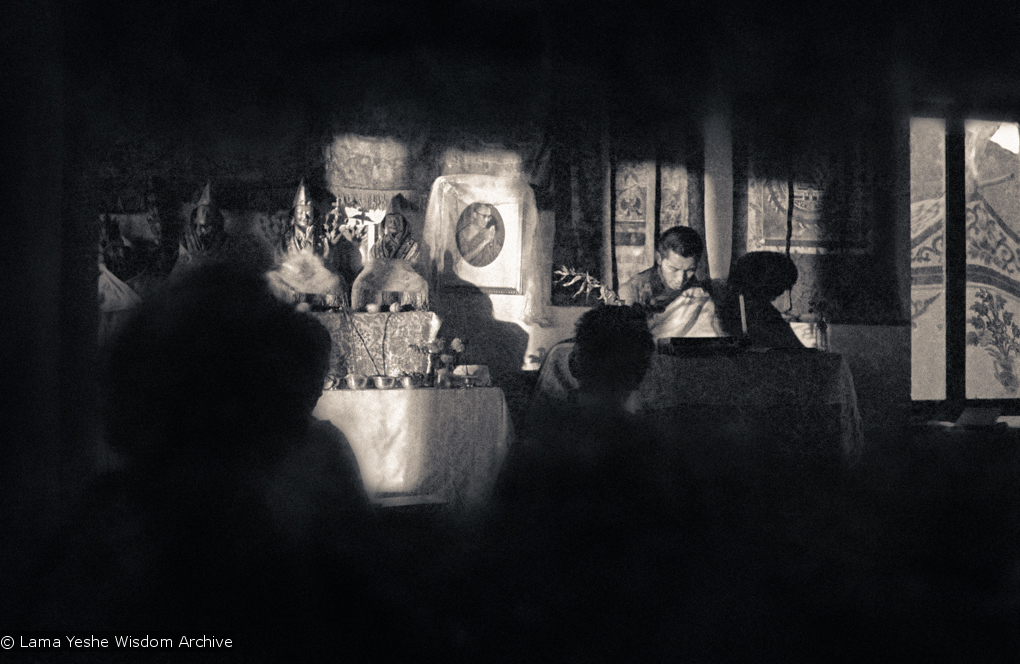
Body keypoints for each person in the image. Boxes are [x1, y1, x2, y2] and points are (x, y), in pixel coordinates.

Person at [462, 305, 692, 661]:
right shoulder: (656, 450)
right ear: (644, 371)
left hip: (539, 627)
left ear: (578, 363)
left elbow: (498, 543)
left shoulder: (538, 446)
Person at [618, 225, 724, 338]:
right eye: (674, 269)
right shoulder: (632, 290)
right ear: (659, 258)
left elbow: (716, 335)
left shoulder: (697, 290)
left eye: (689, 271)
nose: (681, 279)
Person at [718, 250, 805, 348]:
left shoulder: (727, 305)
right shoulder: (764, 313)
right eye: (783, 288)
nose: (782, 293)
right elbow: (799, 353)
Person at [456, 202, 504, 267]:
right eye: (484, 216)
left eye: (488, 217)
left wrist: (492, 242)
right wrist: (485, 242)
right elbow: (465, 258)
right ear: (475, 215)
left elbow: (494, 256)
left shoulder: (488, 232)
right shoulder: (464, 233)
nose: (487, 220)